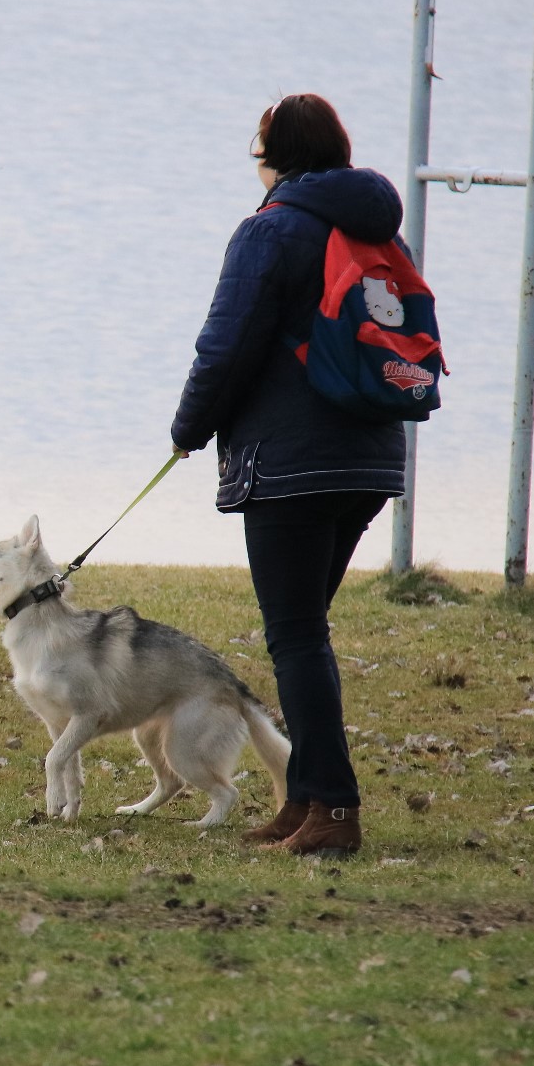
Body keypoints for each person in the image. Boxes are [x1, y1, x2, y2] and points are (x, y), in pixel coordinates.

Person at [168, 94, 408, 856]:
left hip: (292, 464)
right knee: (303, 632)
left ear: (272, 155)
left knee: (298, 636)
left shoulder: (269, 231)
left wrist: (188, 429)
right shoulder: (373, 228)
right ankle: (303, 798)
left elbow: (226, 344)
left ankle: (333, 810)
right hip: (370, 455)